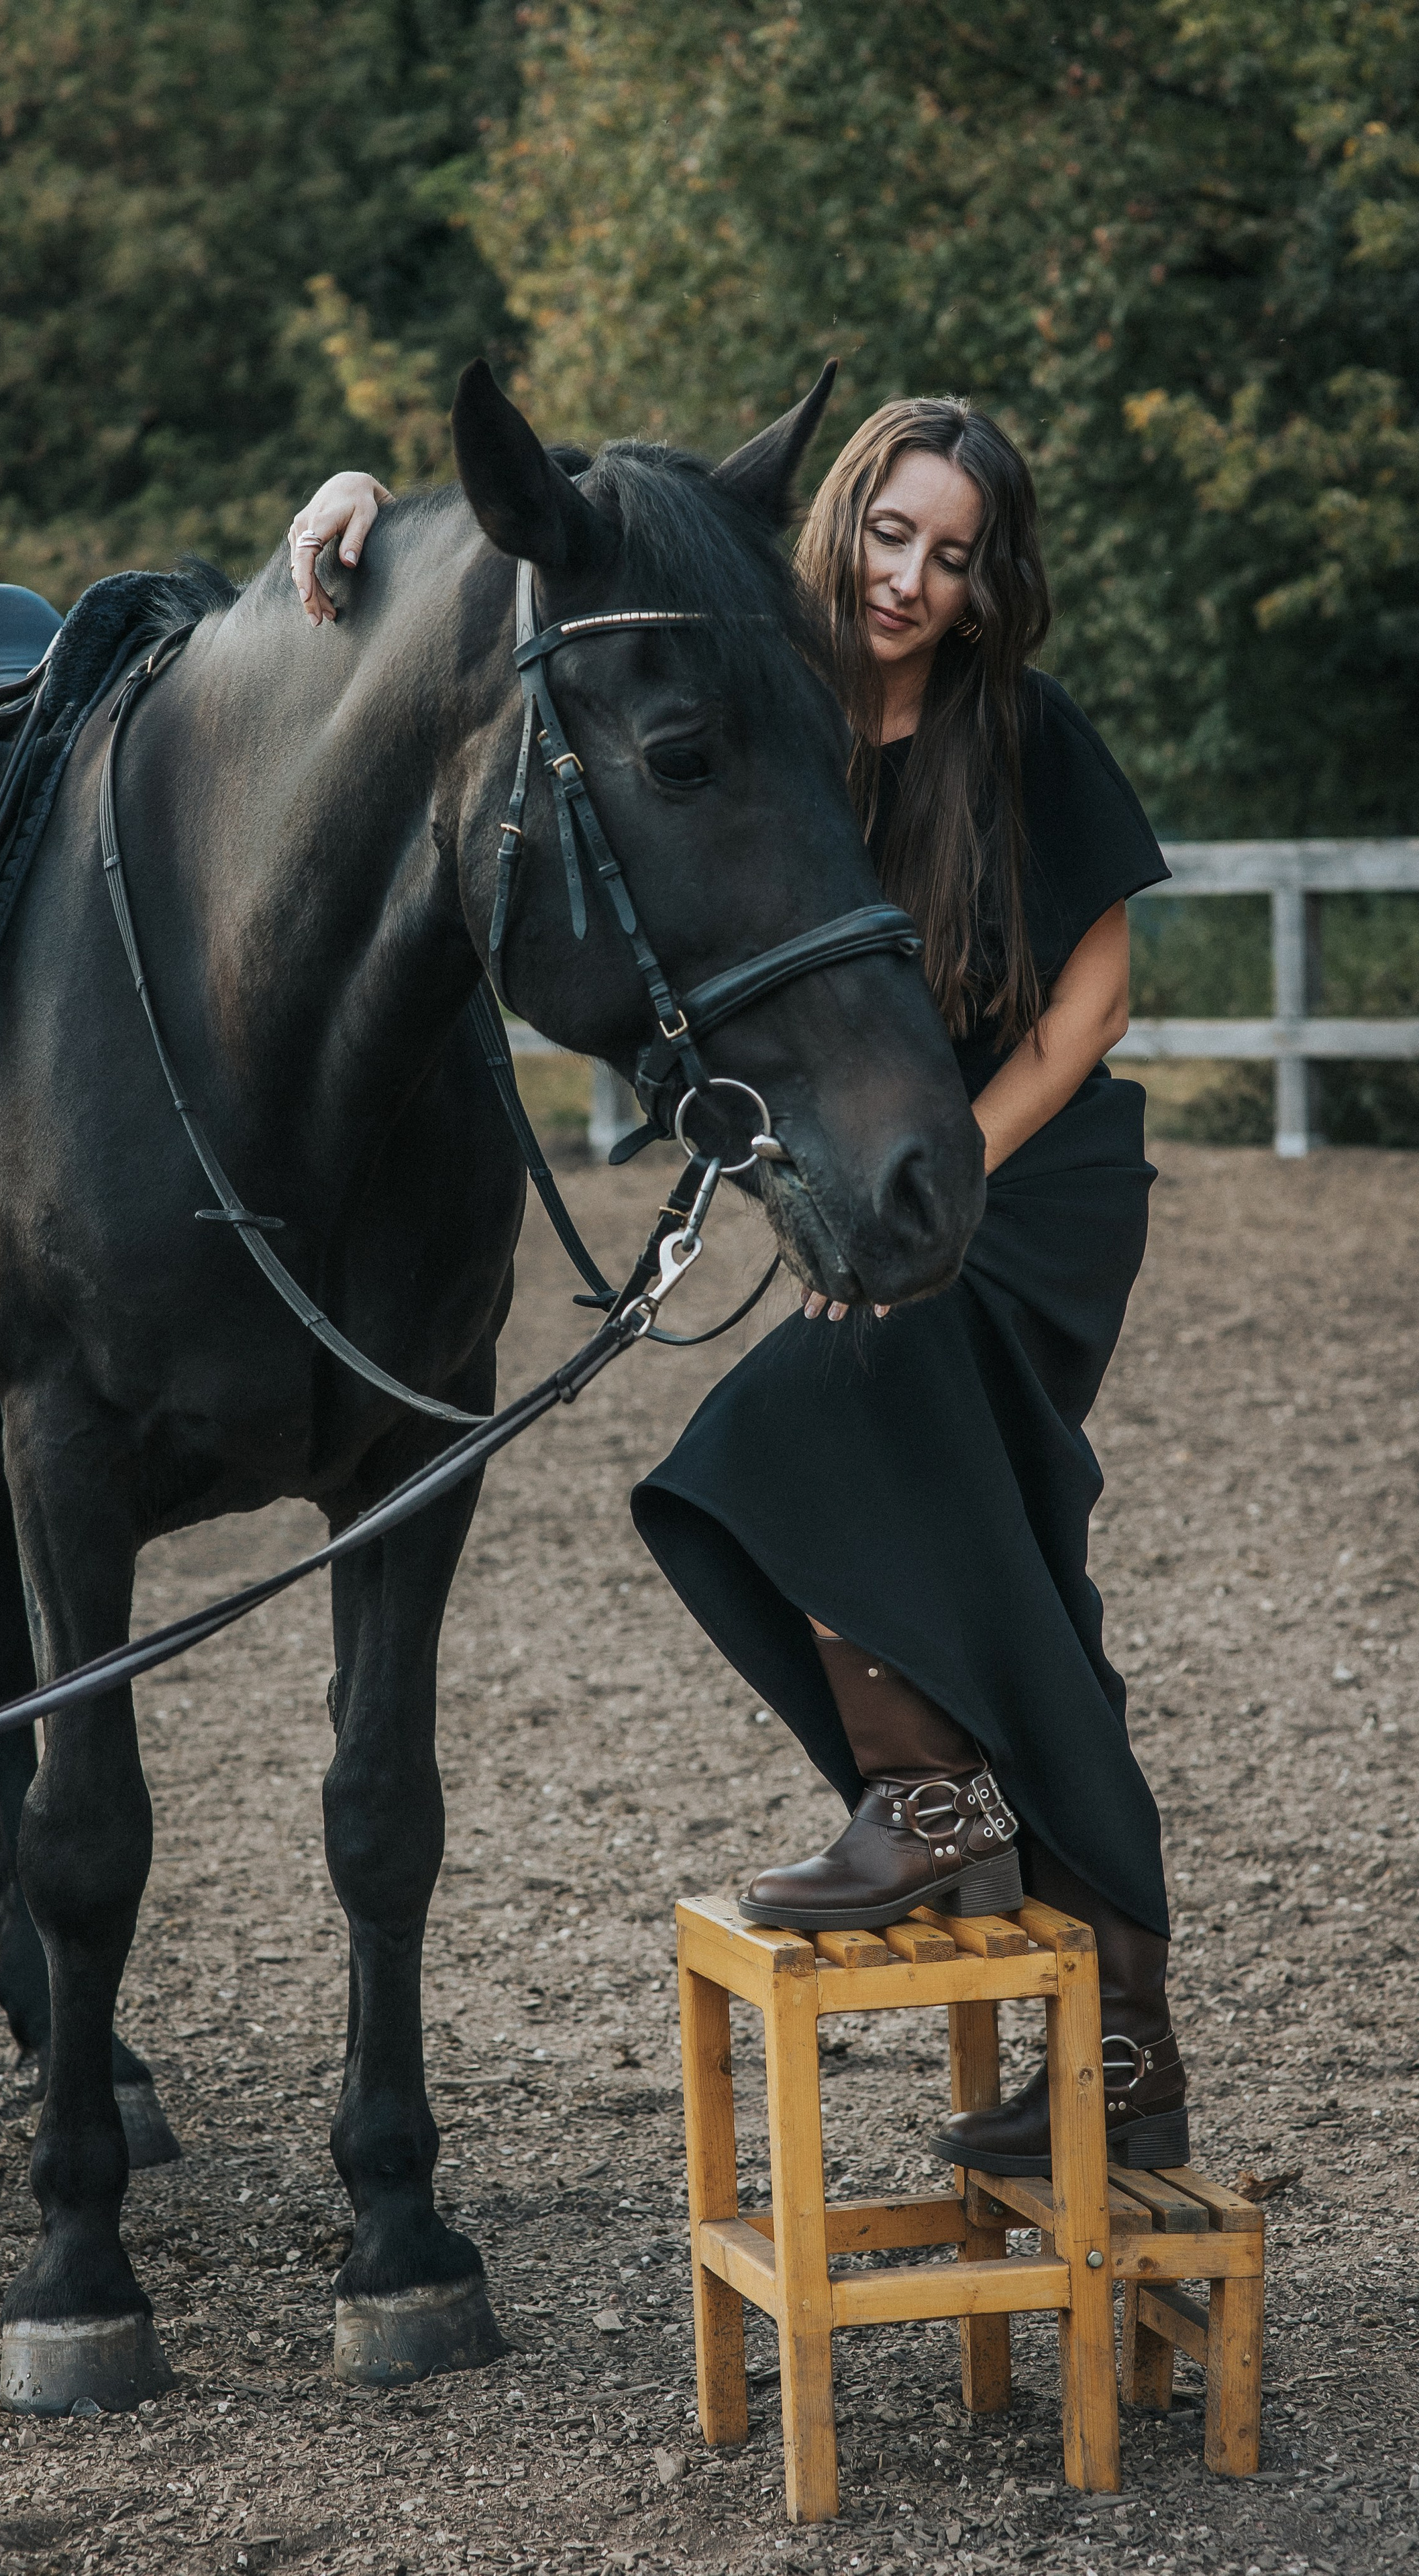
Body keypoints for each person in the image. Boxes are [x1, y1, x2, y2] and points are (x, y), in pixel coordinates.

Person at [285, 402, 1185, 2178]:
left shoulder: (1021, 732)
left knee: (782, 1438)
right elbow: (582, 528)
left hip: (1019, 1178)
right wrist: (366, 499)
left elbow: (1095, 1003)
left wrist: (960, 1164)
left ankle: (928, 1804)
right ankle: (1124, 2054)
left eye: (955, 555)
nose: (912, 579)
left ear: (992, 583)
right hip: (889, 1169)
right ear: (840, 522)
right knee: (1014, 1584)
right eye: (892, 534)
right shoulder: (762, 693)